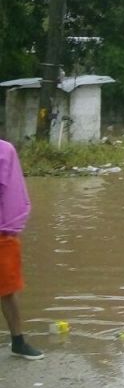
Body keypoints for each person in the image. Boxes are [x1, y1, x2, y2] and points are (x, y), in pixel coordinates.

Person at [0, 140, 44, 360]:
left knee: (7, 290)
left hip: (1, 233)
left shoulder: (4, 151)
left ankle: (18, 341)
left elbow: (14, 191)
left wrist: (10, 228)